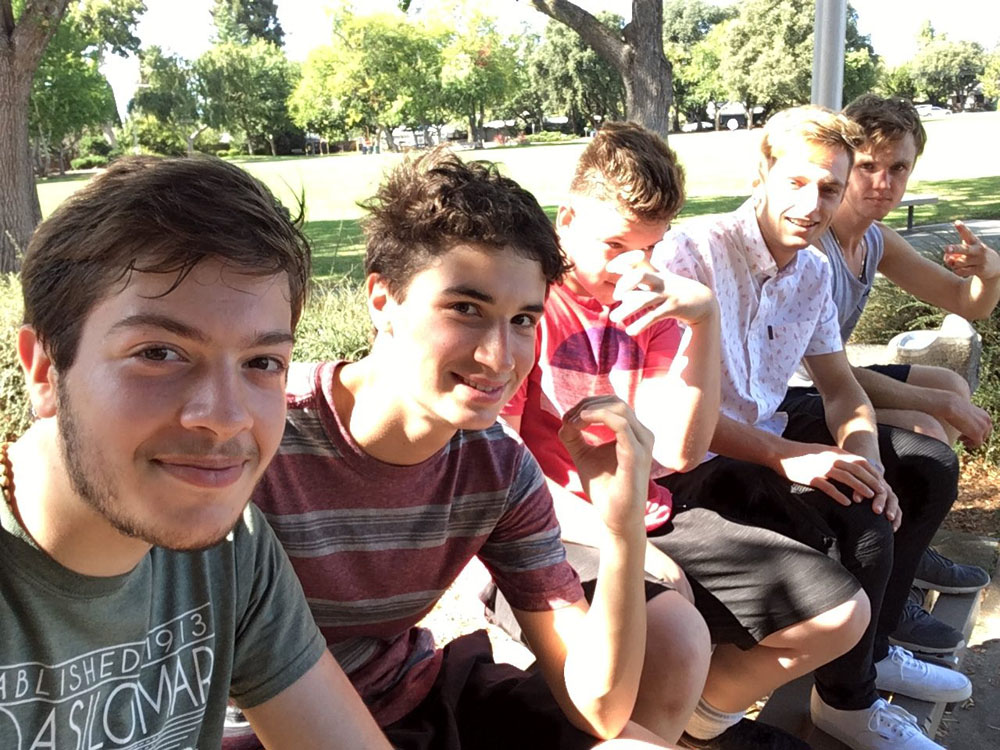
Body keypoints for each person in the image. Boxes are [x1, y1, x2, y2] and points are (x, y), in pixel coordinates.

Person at [235, 149, 681, 749]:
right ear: (382, 301)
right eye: (465, 309)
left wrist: (622, 528)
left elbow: (598, 709)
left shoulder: (496, 467)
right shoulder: (259, 436)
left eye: (524, 319)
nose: (499, 358)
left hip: (419, 703)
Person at [496, 121, 869, 750]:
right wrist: (621, 541)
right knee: (675, 629)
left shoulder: (654, 303)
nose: (634, 267)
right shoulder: (531, 307)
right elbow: (497, 467)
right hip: (551, 519)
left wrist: (703, 319)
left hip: (649, 507)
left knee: (842, 616)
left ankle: (692, 726)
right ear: (566, 220)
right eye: (615, 244)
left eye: (651, 246)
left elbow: (679, 451)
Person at [0, 155, 390, 750]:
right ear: (46, 369)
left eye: (262, 363)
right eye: (158, 353)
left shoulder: (233, 549)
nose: (225, 418)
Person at [654, 106, 971, 750]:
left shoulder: (812, 271)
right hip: (695, 456)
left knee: (912, 471)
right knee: (864, 524)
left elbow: (840, 386)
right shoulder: (692, 251)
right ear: (763, 172)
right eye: (798, 182)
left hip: (766, 429)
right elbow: (673, 416)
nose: (813, 202)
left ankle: (871, 654)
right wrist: (788, 457)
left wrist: (864, 455)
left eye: (829, 187)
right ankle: (846, 705)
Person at [780, 94, 993, 654]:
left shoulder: (875, 239)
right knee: (928, 429)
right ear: (846, 166)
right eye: (869, 166)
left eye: (898, 168)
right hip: (795, 392)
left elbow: (963, 301)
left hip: (831, 379)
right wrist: (939, 410)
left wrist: (989, 272)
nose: (883, 183)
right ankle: (892, 604)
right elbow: (820, 371)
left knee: (949, 385)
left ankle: (910, 543)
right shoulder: (815, 246)